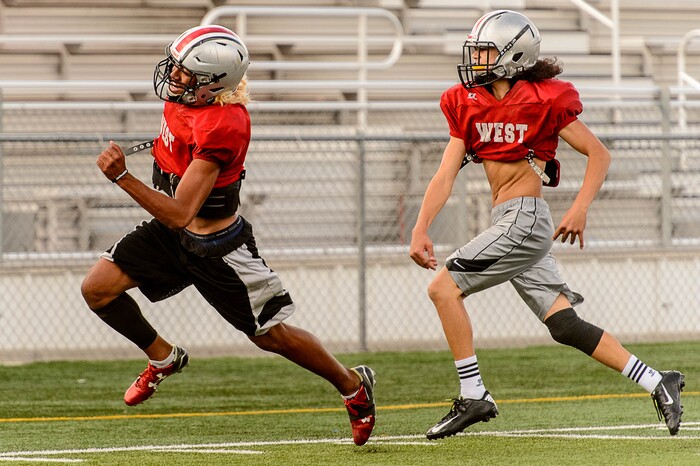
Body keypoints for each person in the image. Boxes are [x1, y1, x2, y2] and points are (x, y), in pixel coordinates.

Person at [80, 25, 376, 446]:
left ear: (212, 83)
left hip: (215, 247)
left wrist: (122, 176)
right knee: (97, 289)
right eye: (177, 67)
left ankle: (353, 386)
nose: (174, 77)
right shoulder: (187, 100)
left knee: (271, 336)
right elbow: (179, 157)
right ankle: (163, 357)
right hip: (169, 233)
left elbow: (183, 212)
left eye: (186, 73)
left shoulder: (224, 123)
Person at [409, 10, 684, 439]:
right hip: (511, 220)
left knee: (442, 288)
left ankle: (474, 393)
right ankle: (657, 381)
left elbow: (599, 153)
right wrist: (420, 226)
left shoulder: (544, 99)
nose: (476, 59)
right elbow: (445, 174)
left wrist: (580, 208)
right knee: (565, 326)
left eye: (485, 51)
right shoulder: (466, 101)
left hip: (525, 218)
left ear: (513, 55)